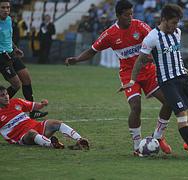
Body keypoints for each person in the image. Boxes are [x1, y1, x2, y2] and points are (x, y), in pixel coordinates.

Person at [65, 0, 173, 156]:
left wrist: (153, 57)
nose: (130, 17)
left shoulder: (140, 26)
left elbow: (156, 41)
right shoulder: (110, 34)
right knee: (136, 107)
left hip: (149, 71)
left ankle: (158, 137)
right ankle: (137, 147)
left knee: (169, 101)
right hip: (129, 74)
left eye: (132, 13)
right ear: (118, 15)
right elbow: (92, 50)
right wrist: (77, 59)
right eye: (127, 14)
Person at [119, 4, 188, 159]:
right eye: (173, 23)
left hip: (183, 76)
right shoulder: (152, 37)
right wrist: (132, 80)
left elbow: (174, 54)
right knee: (182, 113)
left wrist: (183, 67)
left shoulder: (178, 32)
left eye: (177, 23)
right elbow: (140, 61)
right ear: (164, 19)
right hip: (167, 82)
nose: (176, 26)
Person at [0, 85, 89, 150]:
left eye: (6, 94)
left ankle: (80, 140)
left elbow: (34, 106)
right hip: (22, 137)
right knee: (31, 133)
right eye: (2, 95)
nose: (6, 97)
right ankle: (52, 144)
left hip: (36, 126)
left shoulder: (16, 101)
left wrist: (42, 104)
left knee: (55, 123)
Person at [0, 0, 47, 119]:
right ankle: (2, 107)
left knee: (26, 78)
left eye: (8, 7)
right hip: (2, 57)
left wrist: (15, 48)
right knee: (16, 85)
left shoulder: (9, 20)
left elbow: (8, 38)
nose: (6, 10)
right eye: (3, 7)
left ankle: (33, 111)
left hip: (11, 53)